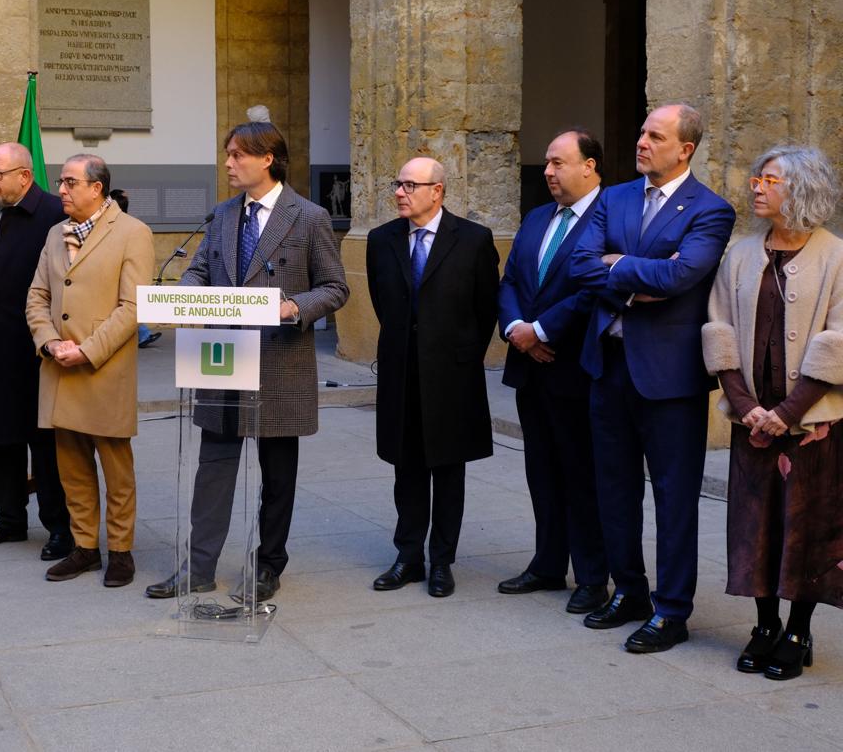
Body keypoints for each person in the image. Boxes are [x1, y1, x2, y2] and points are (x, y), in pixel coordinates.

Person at [145, 122, 349, 602]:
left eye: (238, 155)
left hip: (280, 361)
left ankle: (267, 566)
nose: (229, 163)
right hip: (221, 360)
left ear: (268, 159)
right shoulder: (221, 215)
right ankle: (198, 567)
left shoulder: (309, 216)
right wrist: (184, 297)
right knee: (212, 467)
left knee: (277, 475)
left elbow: (336, 287)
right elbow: (198, 271)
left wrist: (295, 306)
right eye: (228, 154)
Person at [570, 103, 736, 652]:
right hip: (608, 367)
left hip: (670, 380)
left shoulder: (710, 210)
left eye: (654, 135)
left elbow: (684, 274)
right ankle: (630, 592)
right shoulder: (613, 197)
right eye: (641, 131)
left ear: (684, 149)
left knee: (674, 497)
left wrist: (617, 266)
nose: (641, 141)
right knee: (613, 489)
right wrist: (639, 278)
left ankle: (671, 610)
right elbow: (580, 264)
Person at [702, 145, 843, 680]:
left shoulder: (836, 255)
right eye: (757, 178)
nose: (756, 187)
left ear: (800, 188)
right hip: (752, 422)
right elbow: (719, 330)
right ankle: (764, 625)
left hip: (812, 423)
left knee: (807, 525)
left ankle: (799, 630)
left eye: (769, 180)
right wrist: (746, 407)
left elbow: (839, 339)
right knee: (755, 525)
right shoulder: (740, 254)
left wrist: (787, 411)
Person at [365, 156, 498, 597]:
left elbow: (485, 310)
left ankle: (442, 560)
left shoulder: (473, 240)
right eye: (397, 184)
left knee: (448, 468)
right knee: (407, 467)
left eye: (409, 185)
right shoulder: (382, 240)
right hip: (402, 371)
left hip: (452, 375)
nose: (399, 192)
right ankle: (408, 557)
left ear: (436, 191)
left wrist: (457, 355)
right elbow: (383, 302)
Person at [25, 154, 154, 587]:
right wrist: (49, 342)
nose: (60, 189)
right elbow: (37, 297)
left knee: (117, 472)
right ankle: (84, 548)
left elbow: (133, 307)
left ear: (96, 188)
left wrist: (88, 350)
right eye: (61, 182)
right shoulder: (53, 235)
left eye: (69, 182)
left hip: (103, 370)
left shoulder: (133, 233)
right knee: (73, 470)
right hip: (60, 369)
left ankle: (121, 552)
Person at [497, 129, 608, 614]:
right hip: (531, 368)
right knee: (540, 469)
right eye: (546, 163)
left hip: (576, 366)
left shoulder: (611, 218)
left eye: (559, 162)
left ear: (590, 166)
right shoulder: (538, 217)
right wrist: (518, 328)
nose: (547, 171)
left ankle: (591, 576)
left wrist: (543, 330)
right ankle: (547, 563)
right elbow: (513, 280)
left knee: (580, 473)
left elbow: (596, 289)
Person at [0, 142, 73, 559]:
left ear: (25, 176)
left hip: (36, 347)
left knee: (43, 441)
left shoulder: (52, 214)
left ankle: (59, 526)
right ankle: (9, 517)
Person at [108, 189, 162, 348]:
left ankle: (142, 335)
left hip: (118, 273)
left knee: (128, 305)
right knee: (130, 304)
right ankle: (142, 335)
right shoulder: (131, 226)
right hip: (119, 273)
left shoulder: (115, 225)